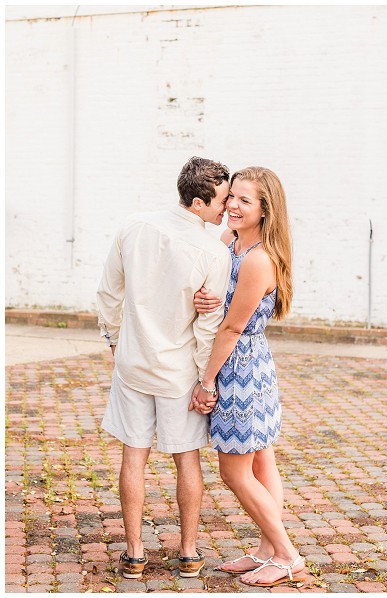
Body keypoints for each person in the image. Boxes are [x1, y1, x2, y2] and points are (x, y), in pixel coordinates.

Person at [96, 156, 233, 579]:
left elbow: (107, 293)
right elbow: (209, 327)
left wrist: (116, 341)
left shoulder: (133, 226)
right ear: (197, 202)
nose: (226, 208)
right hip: (179, 374)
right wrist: (205, 381)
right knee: (186, 460)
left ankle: (134, 554)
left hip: (133, 364)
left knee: (133, 457)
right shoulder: (213, 251)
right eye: (222, 201)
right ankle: (189, 553)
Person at [191, 166, 305, 588]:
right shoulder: (233, 242)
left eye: (244, 200)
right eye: (231, 197)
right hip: (247, 362)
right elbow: (213, 291)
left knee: (234, 472)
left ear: (265, 209)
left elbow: (232, 327)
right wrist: (206, 297)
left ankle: (288, 555)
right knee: (260, 460)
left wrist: (206, 382)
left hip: (240, 369)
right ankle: (267, 550)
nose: (232, 206)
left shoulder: (259, 259)